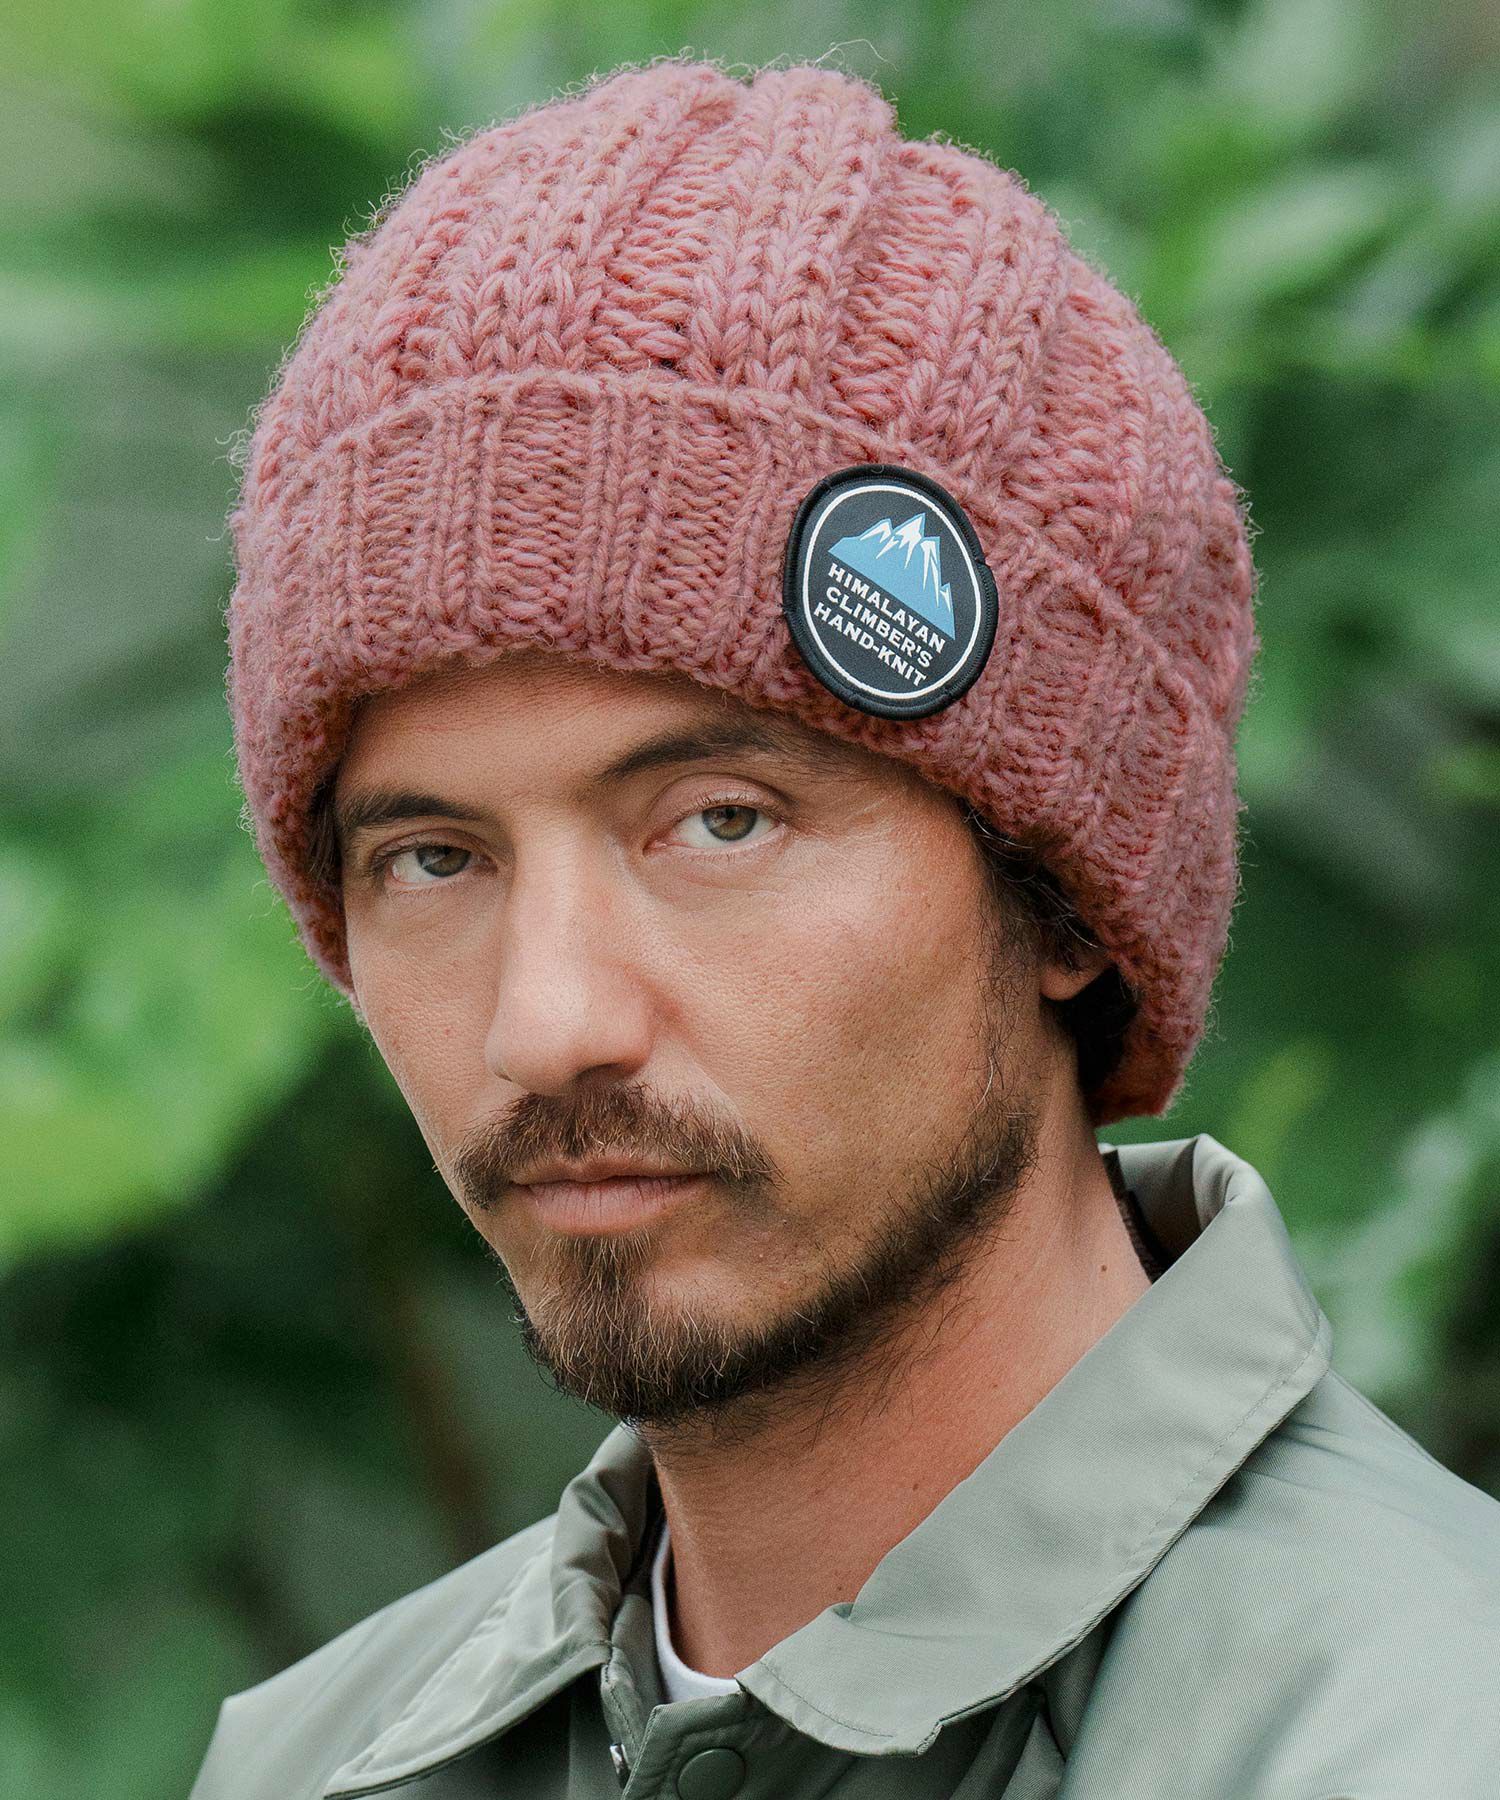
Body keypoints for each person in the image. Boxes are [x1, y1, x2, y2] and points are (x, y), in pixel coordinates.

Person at [191, 55, 1500, 1800]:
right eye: (434, 861)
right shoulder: (313, 1764)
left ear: (1061, 902)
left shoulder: (1416, 1739)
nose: (547, 1024)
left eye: (720, 823)